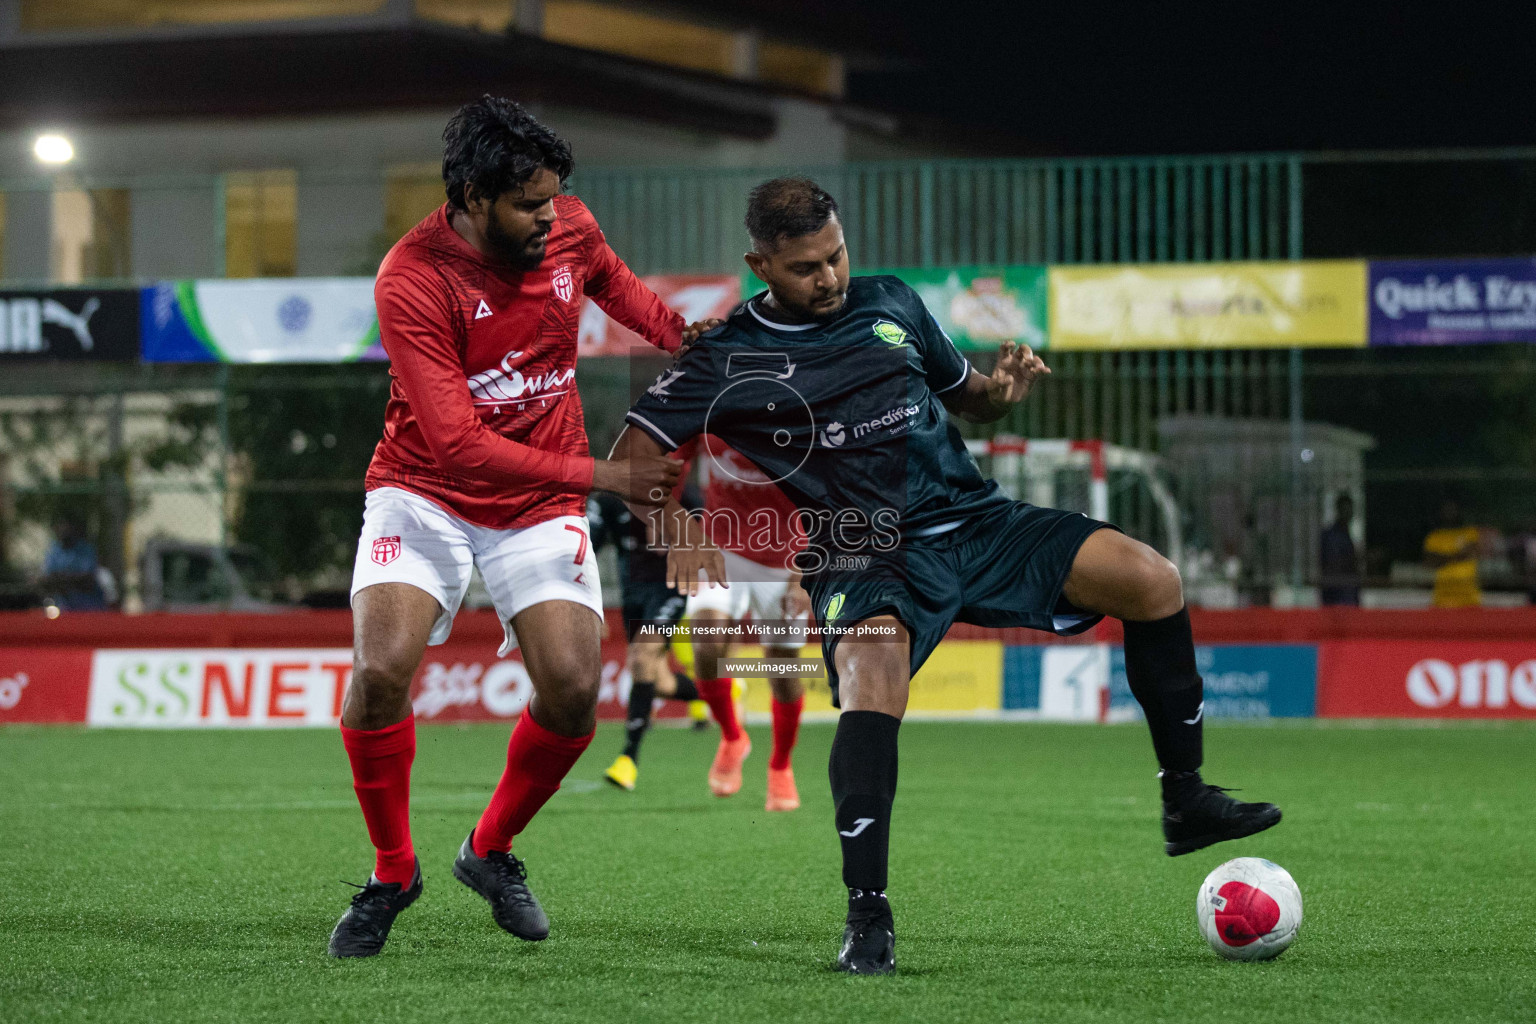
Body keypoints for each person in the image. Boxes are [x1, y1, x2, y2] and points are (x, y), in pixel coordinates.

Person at [610, 177, 1281, 975]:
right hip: (867, 551)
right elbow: (628, 462)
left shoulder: (891, 301)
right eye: (804, 268)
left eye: (835, 255)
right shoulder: (725, 356)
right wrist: (675, 527)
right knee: (872, 676)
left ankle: (1186, 797)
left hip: (979, 523)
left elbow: (970, 400)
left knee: (1152, 579)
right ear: (762, 265)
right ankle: (868, 916)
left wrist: (1005, 390)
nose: (828, 278)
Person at [328, 96, 717, 959]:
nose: (552, 216)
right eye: (529, 204)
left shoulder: (568, 226)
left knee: (575, 690)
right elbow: (460, 444)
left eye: (553, 199)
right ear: (470, 197)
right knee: (381, 668)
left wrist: (681, 335)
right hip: (424, 489)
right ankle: (393, 871)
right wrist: (608, 476)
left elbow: (614, 282)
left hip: (536, 502)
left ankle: (489, 851)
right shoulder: (413, 278)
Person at [675, 435, 812, 809]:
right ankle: (733, 737)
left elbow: (827, 496)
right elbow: (670, 461)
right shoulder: (710, 411)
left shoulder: (800, 417)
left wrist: (805, 574)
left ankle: (780, 766)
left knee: (783, 671)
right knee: (705, 644)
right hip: (720, 548)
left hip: (787, 560)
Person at [589, 482, 707, 791]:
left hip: (670, 589)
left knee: (642, 659)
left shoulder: (683, 493)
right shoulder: (609, 499)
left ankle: (627, 759)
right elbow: (586, 552)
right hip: (633, 597)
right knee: (659, 681)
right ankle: (721, 690)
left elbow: (704, 541)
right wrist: (591, 607)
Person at [39, 516, 110, 611]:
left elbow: (87, 578)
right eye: (60, 525)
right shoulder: (53, 551)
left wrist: (63, 578)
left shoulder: (86, 550)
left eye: (66, 525)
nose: (63, 529)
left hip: (89, 606)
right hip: (64, 606)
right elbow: (49, 578)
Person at [1423, 499, 1481, 608]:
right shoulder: (1434, 536)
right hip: (1442, 598)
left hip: (1468, 598)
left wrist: (1443, 556)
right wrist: (1458, 555)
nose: (1450, 513)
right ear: (1441, 513)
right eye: (1447, 510)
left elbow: (1473, 551)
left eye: (1453, 510)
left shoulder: (1469, 532)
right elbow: (1430, 561)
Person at [1319, 492, 1361, 606]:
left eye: (1350, 509)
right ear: (1339, 510)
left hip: (1346, 593)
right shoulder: (1331, 535)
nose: (1349, 513)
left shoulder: (1346, 534)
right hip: (1337, 595)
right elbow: (1334, 564)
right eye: (1346, 509)